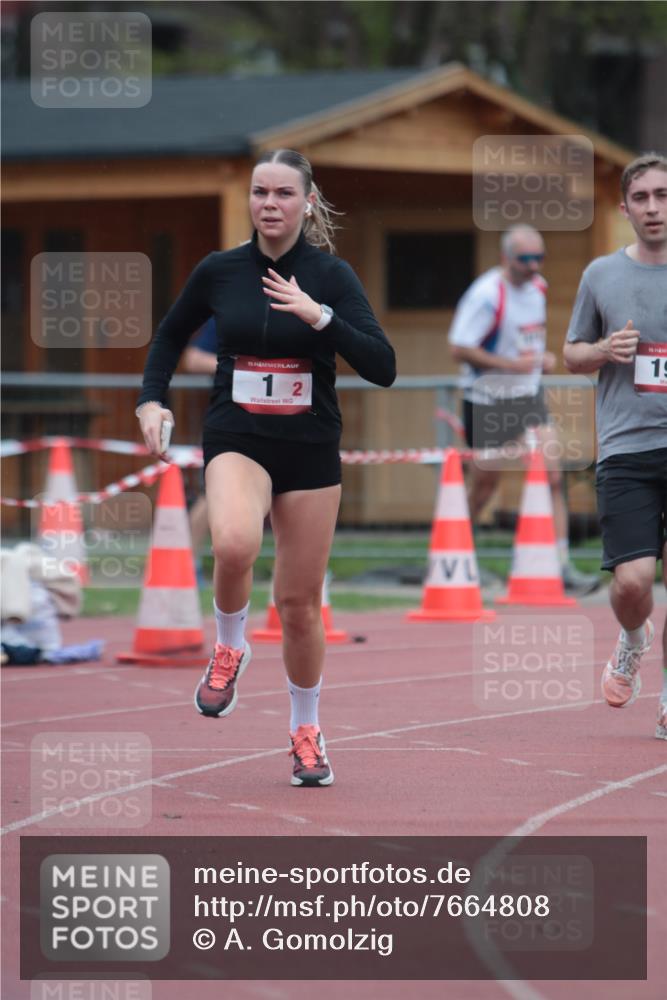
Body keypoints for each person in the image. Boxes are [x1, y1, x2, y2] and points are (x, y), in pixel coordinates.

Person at [136, 148, 396, 784]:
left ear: (308, 203)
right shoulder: (222, 272)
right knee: (233, 543)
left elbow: (384, 368)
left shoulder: (331, 277)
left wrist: (320, 317)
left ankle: (306, 731)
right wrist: (150, 400)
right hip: (238, 436)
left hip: (308, 449)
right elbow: (170, 336)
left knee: (299, 603)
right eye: (260, 193)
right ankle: (229, 645)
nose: (270, 205)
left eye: (284, 194)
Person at [563, 152, 667, 740]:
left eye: (663, 195)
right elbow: (572, 353)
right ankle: (632, 638)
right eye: (642, 198)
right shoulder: (601, 275)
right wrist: (604, 350)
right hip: (626, 448)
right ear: (625, 207)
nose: (653, 207)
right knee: (633, 583)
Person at [448, 224, 600, 595]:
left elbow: (528, 338)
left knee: (551, 475)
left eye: (539, 258)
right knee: (485, 485)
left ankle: (561, 565)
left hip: (526, 397)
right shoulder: (486, 294)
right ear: (505, 258)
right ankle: (453, 556)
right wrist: (510, 364)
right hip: (486, 400)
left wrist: (539, 360)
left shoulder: (540, 288)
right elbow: (459, 348)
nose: (533, 266)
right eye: (525, 259)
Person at [182, 317, 217, 581]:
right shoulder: (230, 310)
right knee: (213, 495)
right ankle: (187, 565)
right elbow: (193, 359)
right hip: (232, 421)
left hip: (290, 423)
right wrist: (242, 368)